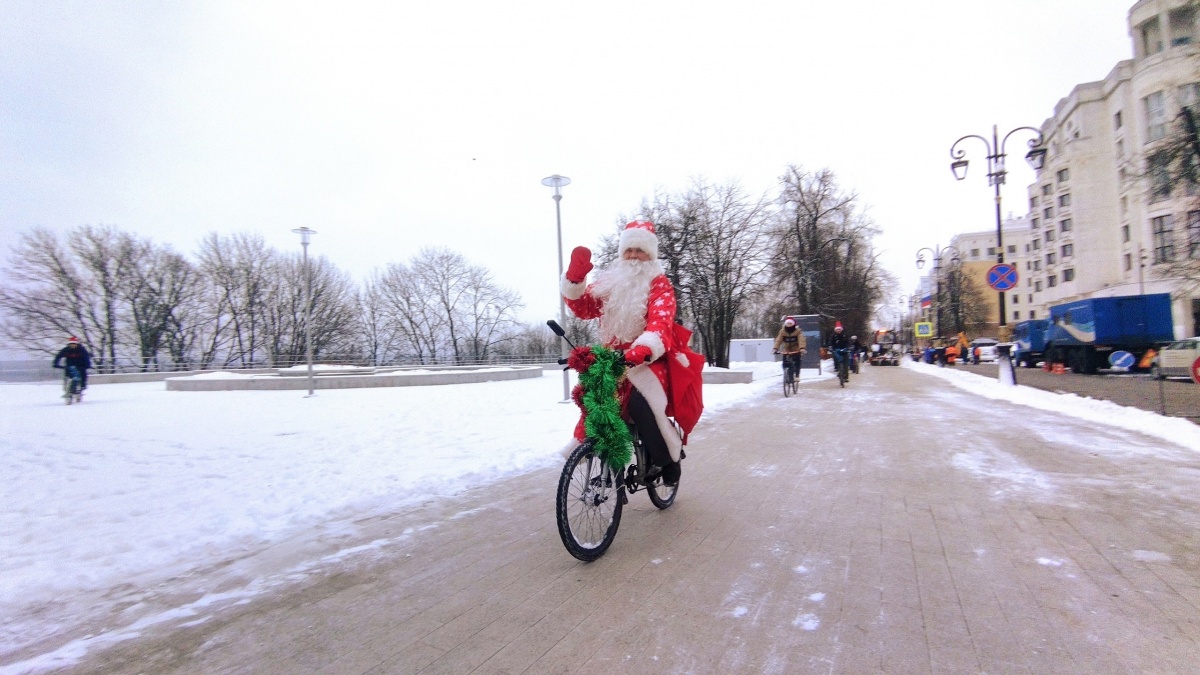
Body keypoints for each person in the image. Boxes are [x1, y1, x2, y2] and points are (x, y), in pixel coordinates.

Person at [561, 221, 704, 486]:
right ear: (621, 253)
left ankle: (667, 461)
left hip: (650, 361)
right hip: (613, 359)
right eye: (629, 250)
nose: (634, 256)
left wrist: (643, 349)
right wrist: (575, 279)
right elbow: (583, 307)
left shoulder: (659, 285)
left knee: (640, 403)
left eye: (640, 250)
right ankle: (606, 461)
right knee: (599, 401)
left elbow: (660, 324)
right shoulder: (611, 283)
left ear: (650, 255)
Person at [773, 317, 806, 382]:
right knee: (784, 363)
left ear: (793, 324)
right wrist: (775, 348)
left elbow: (801, 339)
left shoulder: (798, 331)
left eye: (790, 323)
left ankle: (797, 375)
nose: (789, 324)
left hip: (796, 348)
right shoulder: (782, 331)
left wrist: (802, 348)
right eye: (787, 323)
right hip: (787, 349)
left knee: (797, 361)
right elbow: (778, 340)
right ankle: (786, 374)